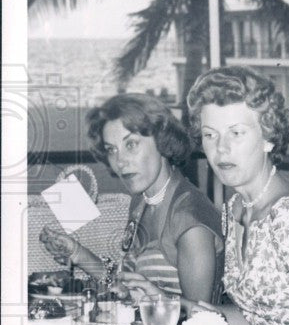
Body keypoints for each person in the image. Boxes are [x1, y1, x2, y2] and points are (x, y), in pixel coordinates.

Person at [186, 66, 289, 325]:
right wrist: (178, 307)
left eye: (236, 133)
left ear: (268, 137)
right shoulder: (235, 208)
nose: (221, 148)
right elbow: (258, 316)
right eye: (210, 135)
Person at [40, 93, 222, 302]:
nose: (120, 161)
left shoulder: (189, 220)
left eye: (131, 144)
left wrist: (156, 302)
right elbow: (127, 287)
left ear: (163, 140)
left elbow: (202, 321)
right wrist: (77, 254)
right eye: (111, 150)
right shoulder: (142, 202)